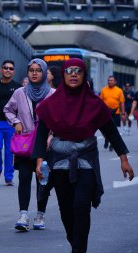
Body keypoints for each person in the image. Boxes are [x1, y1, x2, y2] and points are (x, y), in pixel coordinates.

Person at [33, 58, 135, 253]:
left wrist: (124, 159)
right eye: (69, 71)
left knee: (81, 207)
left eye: (78, 71)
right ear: (62, 75)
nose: (73, 74)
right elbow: (41, 134)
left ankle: (79, 250)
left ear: (84, 76)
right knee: (66, 211)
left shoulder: (94, 104)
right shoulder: (51, 104)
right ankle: (76, 245)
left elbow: (111, 132)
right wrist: (39, 161)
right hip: (60, 163)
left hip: (86, 161)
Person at [3, 58, 55, 231]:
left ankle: (40, 215)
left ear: (44, 73)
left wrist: (52, 135)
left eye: (38, 70)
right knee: (24, 178)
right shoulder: (20, 92)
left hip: (46, 144)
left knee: (43, 180)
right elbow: (7, 109)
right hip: (25, 143)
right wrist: (16, 121)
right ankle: (23, 214)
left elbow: (59, 117)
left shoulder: (53, 94)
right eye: (31, 70)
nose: (34, 73)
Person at [0, 60, 21, 186]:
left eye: (11, 68)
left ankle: (8, 177)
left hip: (11, 124)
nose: (8, 70)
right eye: (5, 68)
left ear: (13, 71)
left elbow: (22, 106)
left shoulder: (18, 87)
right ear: (1, 70)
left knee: (10, 152)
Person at [100, 76, 125, 151]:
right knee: (105, 129)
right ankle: (107, 139)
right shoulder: (104, 90)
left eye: (111, 80)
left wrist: (123, 112)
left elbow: (122, 102)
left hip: (116, 112)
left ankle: (112, 144)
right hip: (105, 113)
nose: (109, 82)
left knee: (114, 129)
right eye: (108, 80)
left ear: (115, 82)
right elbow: (100, 101)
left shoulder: (119, 91)